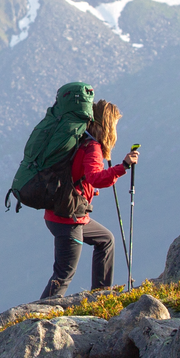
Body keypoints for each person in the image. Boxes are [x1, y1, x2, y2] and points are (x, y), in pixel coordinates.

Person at [40, 101, 135, 299]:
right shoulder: (92, 147)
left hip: (64, 213)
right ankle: (35, 318)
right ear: (107, 124)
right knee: (64, 274)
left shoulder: (80, 140)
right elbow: (96, 178)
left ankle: (100, 296)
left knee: (105, 239)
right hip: (69, 219)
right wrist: (123, 166)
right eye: (114, 124)